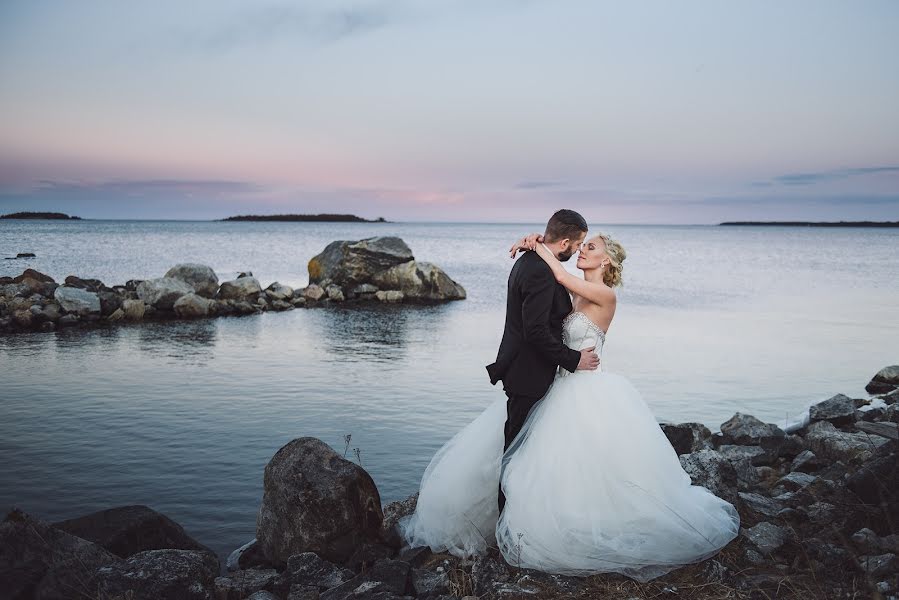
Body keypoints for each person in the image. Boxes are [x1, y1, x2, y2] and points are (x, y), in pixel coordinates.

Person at [398, 221, 740, 582]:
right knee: (535, 460)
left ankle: (572, 527)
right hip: (557, 384)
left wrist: (535, 243)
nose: (582, 251)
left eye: (590, 248)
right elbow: (555, 290)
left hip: (587, 389)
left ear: (606, 262)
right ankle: (521, 520)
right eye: (582, 245)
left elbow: (558, 275)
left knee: (583, 465)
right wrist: (535, 242)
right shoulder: (576, 294)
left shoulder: (605, 295)